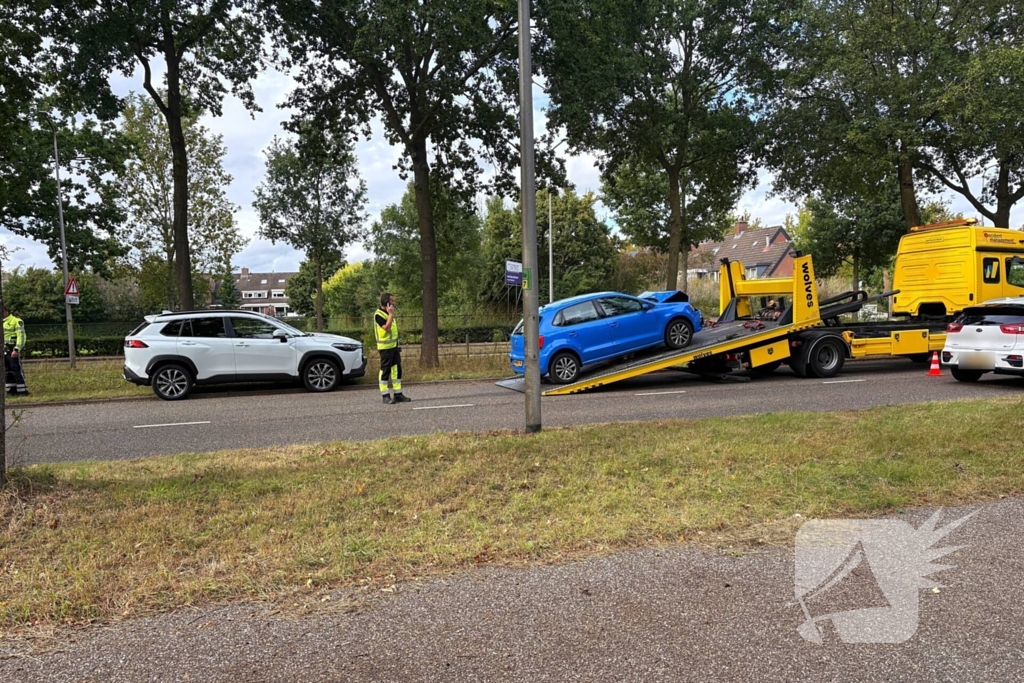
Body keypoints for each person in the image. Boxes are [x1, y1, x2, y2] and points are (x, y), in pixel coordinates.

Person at [374, 293, 410, 404]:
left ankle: (398, 394)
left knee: (397, 370)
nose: (394, 303)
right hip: (385, 348)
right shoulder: (379, 315)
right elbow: (387, 328)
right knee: (385, 370)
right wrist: (390, 314)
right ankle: (385, 395)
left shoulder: (388, 313)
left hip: (393, 347)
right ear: (387, 303)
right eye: (392, 301)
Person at [3, 306, 28, 396]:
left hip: (12, 349)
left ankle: (23, 391)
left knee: (16, 369)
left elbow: (21, 336)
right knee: (7, 371)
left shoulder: (16, 321)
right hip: (3, 350)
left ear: (5, 311)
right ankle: (11, 391)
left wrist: (16, 349)